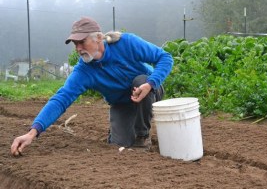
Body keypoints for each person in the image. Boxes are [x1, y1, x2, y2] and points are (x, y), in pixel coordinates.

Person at [11, 16, 173, 156]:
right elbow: (61, 99)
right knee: (119, 146)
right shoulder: (83, 71)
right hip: (122, 105)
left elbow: (165, 57)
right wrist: (32, 133)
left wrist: (151, 83)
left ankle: (142, 137)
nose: (78, 48)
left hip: (149, 91)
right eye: (75, 44)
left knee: (140, 80)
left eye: (82, 42)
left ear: (98, 38)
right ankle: (123, 129)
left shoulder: (127, 43)